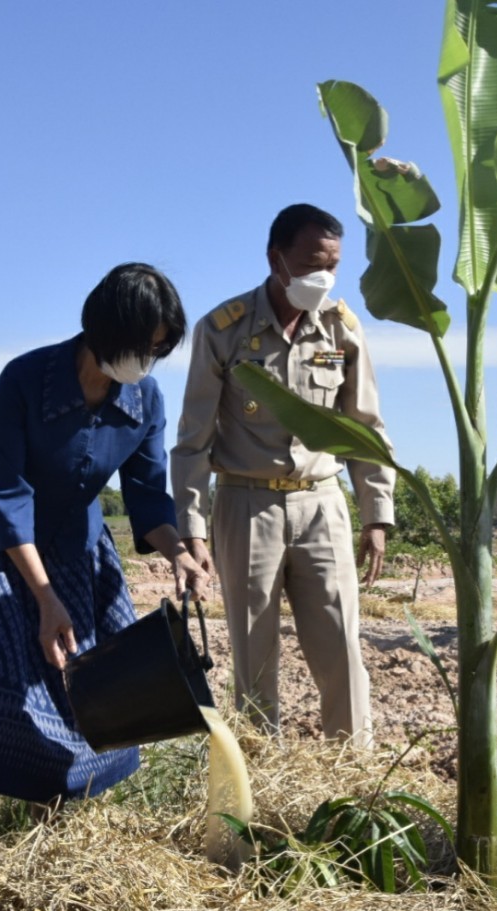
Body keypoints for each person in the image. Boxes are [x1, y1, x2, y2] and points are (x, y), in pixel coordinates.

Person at [0, 262, 209, 888]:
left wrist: (177, 553)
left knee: (77, 694)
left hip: (75, 547)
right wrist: (43, 599)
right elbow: (9, 492)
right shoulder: (28, 379)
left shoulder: (144, 399)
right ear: (105, 330)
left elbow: (146, 496)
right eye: (145, 346)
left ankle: (44, 855)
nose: (150, 360)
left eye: (161, 349)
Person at [171, 203, 396, 747]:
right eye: (313, 263)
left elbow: (365, 426)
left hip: (322, 504)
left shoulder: (342, 329)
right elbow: (193, 441)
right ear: (277, 260)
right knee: (253, 658)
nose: (325, 277)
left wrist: (377, 514)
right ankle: (258, 787)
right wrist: (192, 529)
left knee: (343, 648)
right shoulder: (223, 330)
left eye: (334, 265)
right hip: (247, 507)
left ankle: (353, 778)